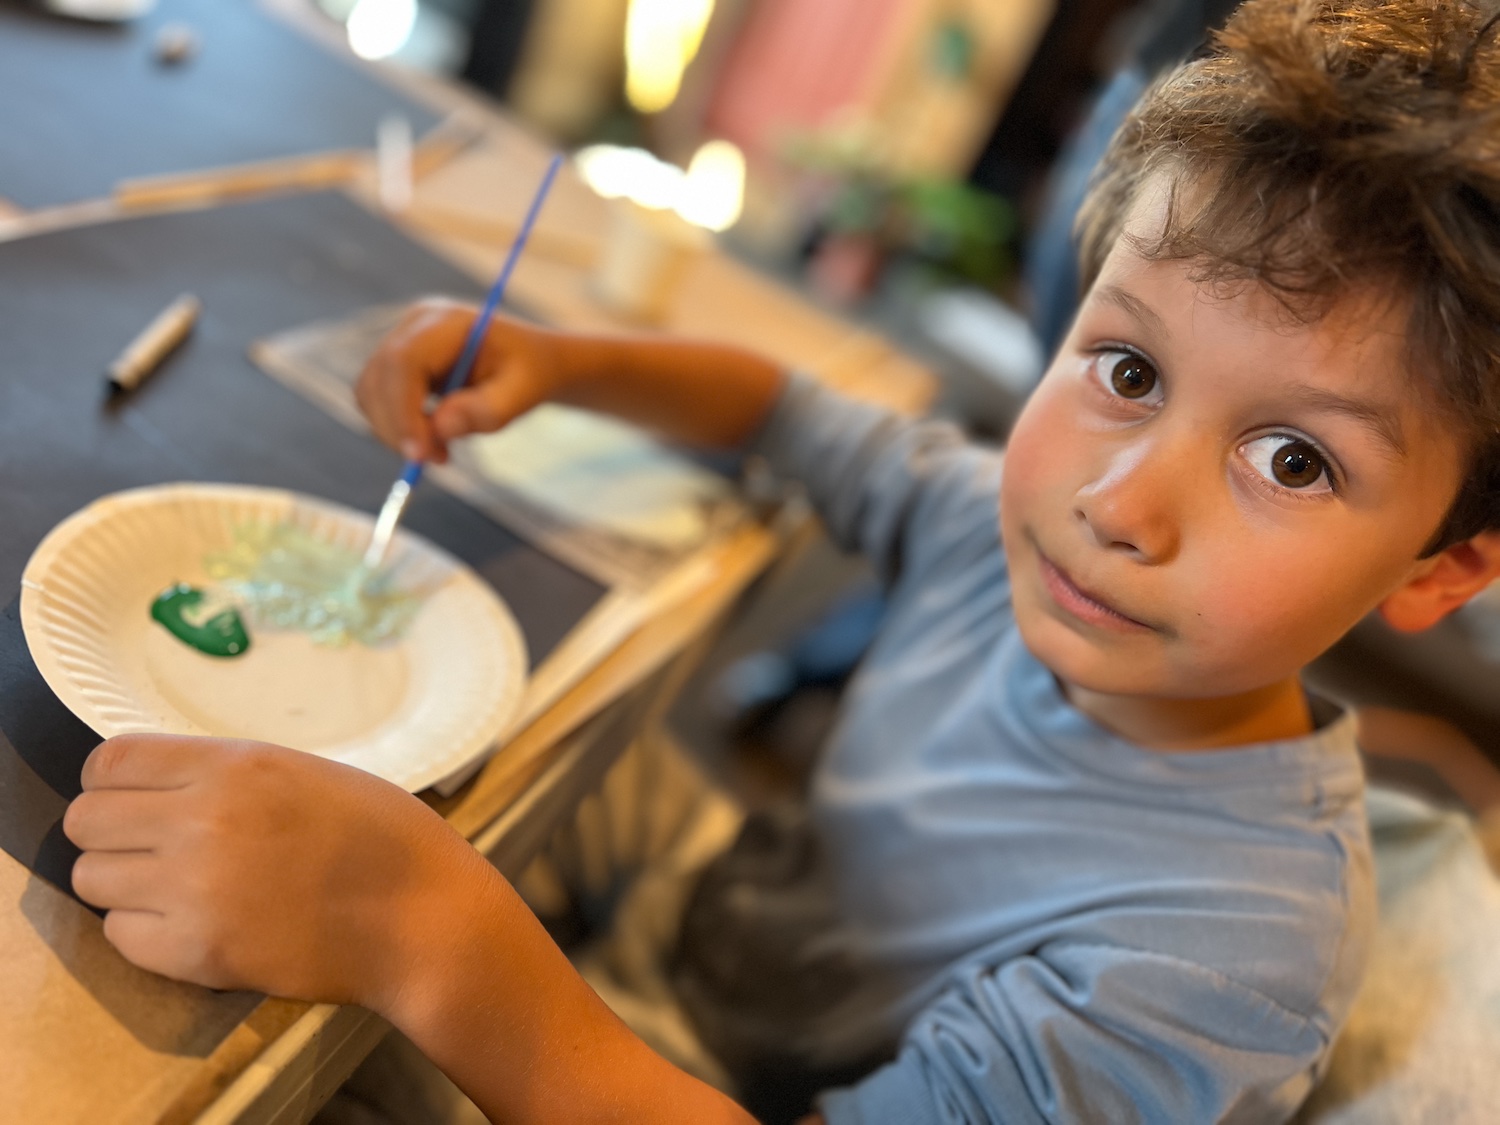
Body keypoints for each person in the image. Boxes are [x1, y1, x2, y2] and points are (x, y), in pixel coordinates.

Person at [62, 0, 1500, 1120]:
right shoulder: (1015, 544)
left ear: (1443, 570)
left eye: (1294, 460)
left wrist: (421, 927)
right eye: (1126, 366)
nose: (1125, 501)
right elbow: (789, 412)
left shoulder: (1221, 968)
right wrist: (563, 363)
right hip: (716, 919)